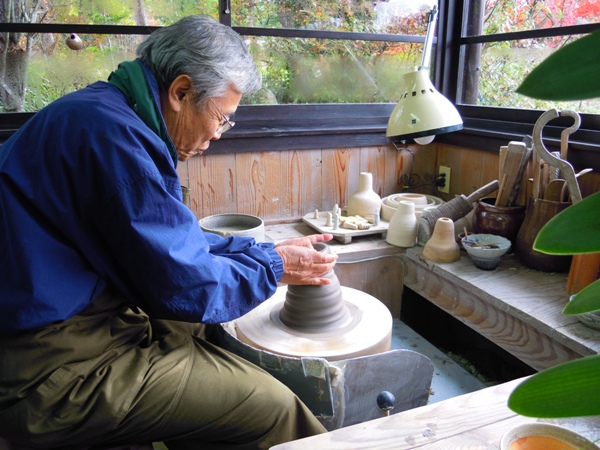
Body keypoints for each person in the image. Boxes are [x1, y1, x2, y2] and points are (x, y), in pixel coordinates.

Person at [0, 15, 337, 450]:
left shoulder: (104, 111)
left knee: (193, 333)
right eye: (222, 118)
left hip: (54, 322)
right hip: (47, 371)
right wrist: (274, 265)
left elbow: (171, 241)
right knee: (273, 407)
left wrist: (264, 251)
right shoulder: (114, 142)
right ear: (180, 92)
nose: (218, 134)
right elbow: (189, 285)